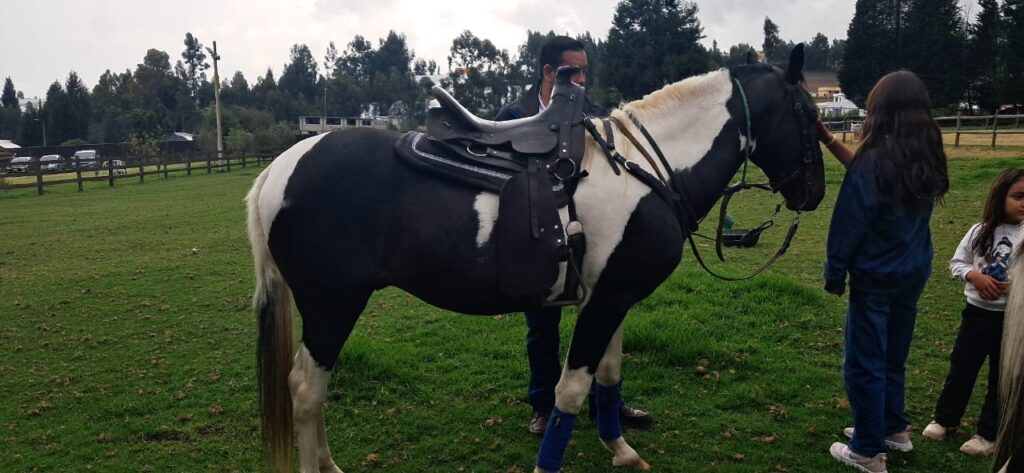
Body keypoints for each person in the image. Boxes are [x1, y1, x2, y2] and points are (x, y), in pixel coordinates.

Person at [494, 35, 653, 436]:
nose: (582, 78)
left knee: (603, 318)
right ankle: (543, 405)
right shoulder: (514, 115)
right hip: (538, 235)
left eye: (585, 70)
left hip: (592, 232)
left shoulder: (593, 114)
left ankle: (606, 405)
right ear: (549, 72)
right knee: (541, 326)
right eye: (574, 71)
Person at [820, 70, 950, 473]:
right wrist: (829, 140)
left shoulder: (876, 158)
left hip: (876, 277)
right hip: (913, 272)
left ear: (881, 109)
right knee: (893, 355)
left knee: (864, 363)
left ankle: (866, 450)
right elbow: (869, 173)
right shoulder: (924, 155)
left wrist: (834, 272)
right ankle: (893, 428)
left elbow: (848, 223)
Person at [919, 169, 1024, 456]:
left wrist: (1014, 288)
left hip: (1012, 322)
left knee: (1001, 377)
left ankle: (988, 434)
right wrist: (975, 277)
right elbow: (958, 262)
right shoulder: (980, 231)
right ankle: (945, 419)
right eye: (1018, 196)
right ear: (1000, 197)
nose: (1023, 203)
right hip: (976, 315)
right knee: (962, 368)